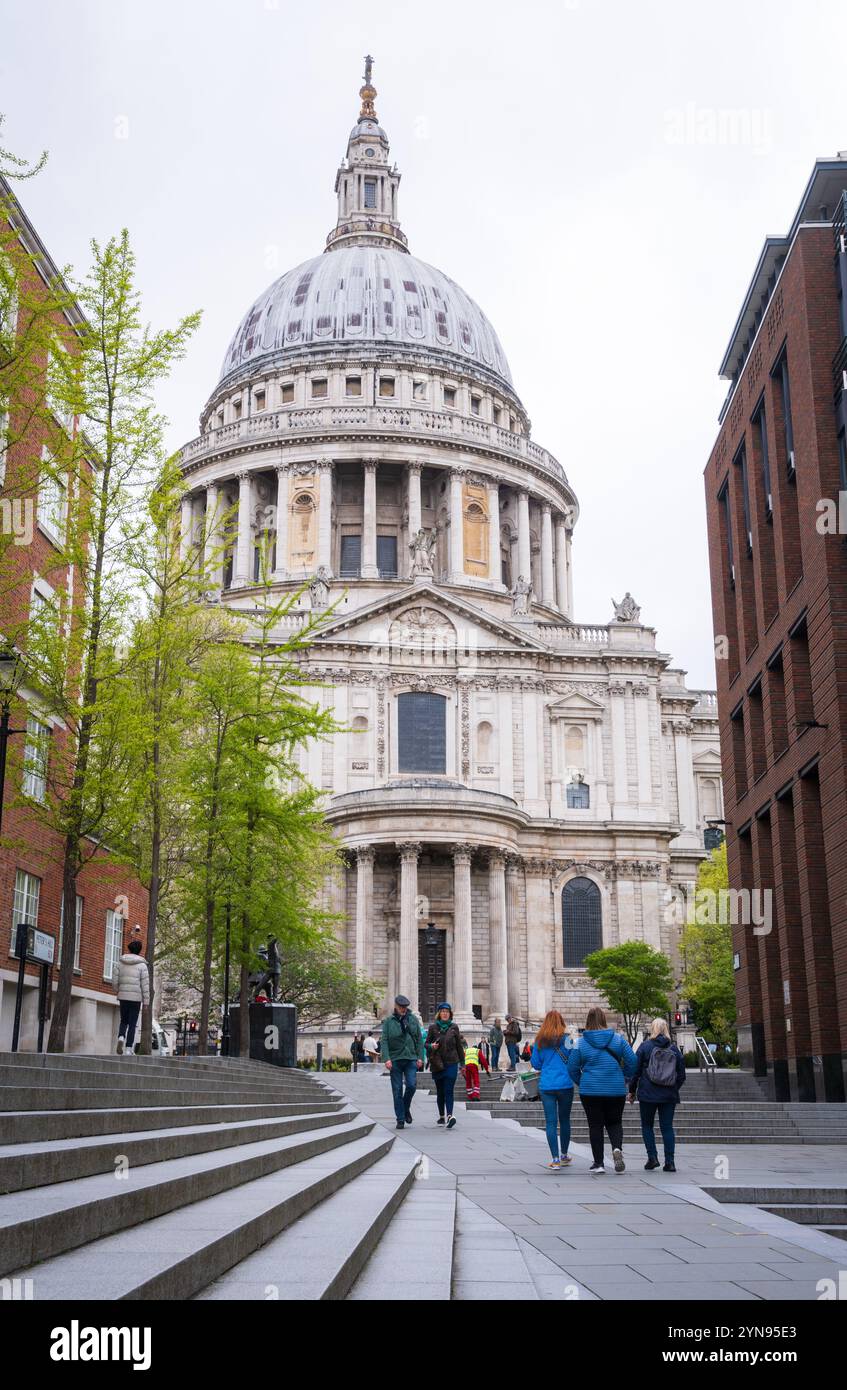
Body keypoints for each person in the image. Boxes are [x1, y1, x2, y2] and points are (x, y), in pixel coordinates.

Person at [568, 1007, 637, 1174]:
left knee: (595, 1125)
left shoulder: (580, 1042)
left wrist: (582, 1082)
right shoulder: (618, 1039)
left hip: (590, 1090)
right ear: (605, 1019)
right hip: (615, 1089)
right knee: (615, 1122)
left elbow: (572, 1068)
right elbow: (633, 1062)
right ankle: (616, 1148)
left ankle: (599, 1163)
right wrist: (624, 1078)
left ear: (588, 1021)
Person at [628, 1017, 686, 1172]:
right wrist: (673, 1088)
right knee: (667, 1127)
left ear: (652, 1029)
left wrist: (632, 1091)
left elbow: (636, 1071)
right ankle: (670, 1162)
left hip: (648, 1094)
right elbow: (681, 1075)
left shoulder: (645, 1047)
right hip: (668, 1095)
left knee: (647, 1126)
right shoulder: (674, 1049)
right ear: (666, 1029)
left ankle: (652, 1158)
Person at [531, 1010, 575, 1170]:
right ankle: (564, 1155)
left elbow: (535, 1063)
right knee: (564, 1120)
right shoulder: (568, 1039)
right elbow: (574, 1058)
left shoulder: (539, 1041)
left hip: (547, 1085)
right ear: (561, 1022)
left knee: (550, 1122)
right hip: (565, 1085)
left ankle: (555, 1159)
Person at [380, 995, 425, 1129]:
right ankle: (400, 1118)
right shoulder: (389, 1021)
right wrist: (386, 1058)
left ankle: (405, 1108)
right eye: (401, 1007)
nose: (403, 1009)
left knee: (411, 1086)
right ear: (396, 1006)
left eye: (405, 1007)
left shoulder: (413, 1019)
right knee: (397, 1090)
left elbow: (419, 1039)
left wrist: (420, 1057)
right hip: (395, 1059)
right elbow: (384, 1040)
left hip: (411, 1058)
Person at [425, 1003, 464, 1128]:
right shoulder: (433, 1028)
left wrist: (462, 1064)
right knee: (440, 1091)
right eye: (442, 1011)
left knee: (448, 1089)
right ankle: (441, 1115)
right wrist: (432, 1046)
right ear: (439, 1013)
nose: (445, 1013)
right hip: (438, 1063)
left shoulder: (454, 1028)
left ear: (450, 1013)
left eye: (447, 1011)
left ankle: (449, 1116)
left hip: (452, 1062)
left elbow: (459, 1046)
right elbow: (426, 1044)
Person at [115, 940, 150, 1055]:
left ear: (129, 949)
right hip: (135, 998)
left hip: (123, 996)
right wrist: (146, 1002)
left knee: (123, 1020)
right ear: (139, 951)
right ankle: (129, 1048)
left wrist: (117, 990)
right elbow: (145, 985)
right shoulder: (142, 965)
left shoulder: (120, 963)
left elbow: (115, 979)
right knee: (132, 1023)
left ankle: (121, 1037)